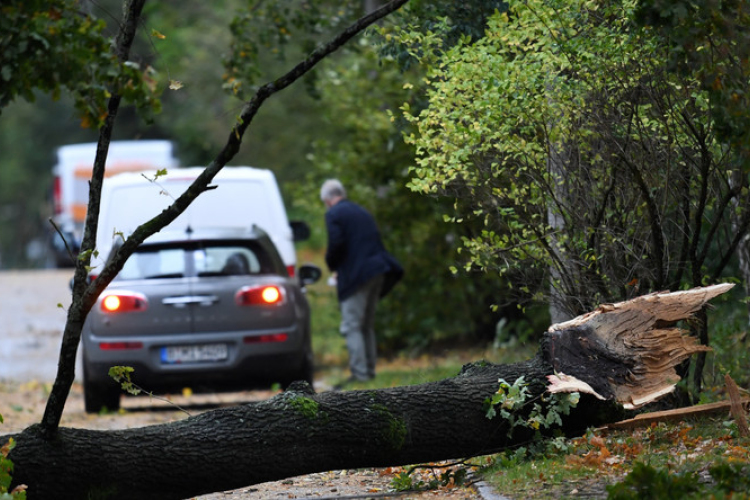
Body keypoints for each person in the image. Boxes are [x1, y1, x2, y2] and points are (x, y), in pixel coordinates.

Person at [320, 179, 403, 386]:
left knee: (352, 326)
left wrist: (332, 265)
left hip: (357, 276)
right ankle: (369, 371)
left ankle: (360, 375)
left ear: (327, 200)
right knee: (366, 325)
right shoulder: (361, 211)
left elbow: (337, 244)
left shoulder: (334, 214)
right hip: (378, 271)